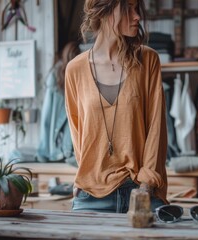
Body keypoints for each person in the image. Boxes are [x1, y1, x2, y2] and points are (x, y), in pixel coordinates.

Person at [65, 0, 168, 213]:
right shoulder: (75, 70)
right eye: (128, 8)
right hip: (92, 195)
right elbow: (79, 137)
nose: (137, 16)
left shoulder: (147, 60)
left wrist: (146, 187)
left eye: (137, 8)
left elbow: (156, 129)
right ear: (105, 10)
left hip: (141, 191)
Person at [37, 41, 80, 167]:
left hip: (64, 149)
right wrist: (44, 151)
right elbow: (47, 117)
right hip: (63, 148)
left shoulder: (69, 76)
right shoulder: (57, 77)